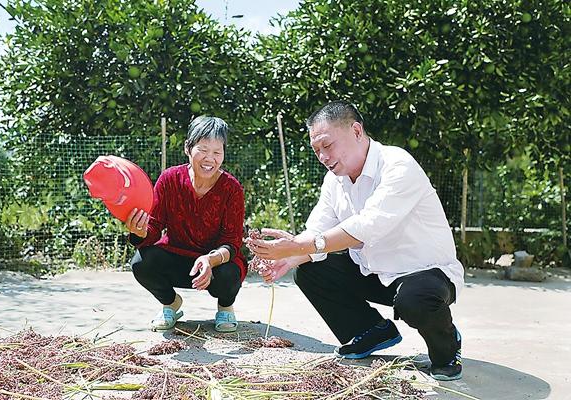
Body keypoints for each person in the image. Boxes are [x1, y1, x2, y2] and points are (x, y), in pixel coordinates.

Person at [246, 101, 464, 381]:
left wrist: (299, 247)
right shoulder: (333, 181)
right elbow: (317, 231)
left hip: (424, 274)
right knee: (310, 270)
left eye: (328, 145)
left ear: (357, 131)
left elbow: (367, 226)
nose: (323, 156)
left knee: (415, 300)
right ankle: (370, 332)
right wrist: (286, 259)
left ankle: (447, 345)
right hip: (374, 271)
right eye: (317, 150)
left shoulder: (397, 165)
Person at [128, 116, 246, 333]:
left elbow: (232, 241)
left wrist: (210, 259)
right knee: (141, 262)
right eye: (203, 149)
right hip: (176, 256)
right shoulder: (170, 179)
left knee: (230, 273)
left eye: (217, 152)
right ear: (188, 148)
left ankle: (225, 307)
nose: (210, 158)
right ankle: (170, 303)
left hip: (214, 264)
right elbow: (154, 226)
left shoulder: (232, 189)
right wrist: (140, 231)